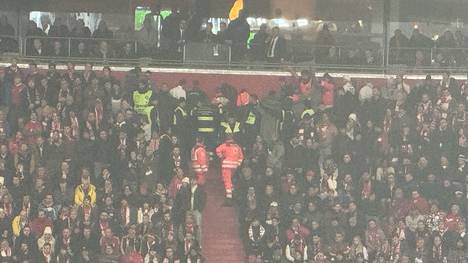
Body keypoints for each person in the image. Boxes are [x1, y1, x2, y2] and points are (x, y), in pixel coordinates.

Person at [216, 136, 244, 206]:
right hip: (234, 166)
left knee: (227, 181)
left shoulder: (225, 145)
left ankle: (229, 198)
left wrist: (222, 157)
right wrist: (238, 164)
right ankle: (232, 193)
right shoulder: (237, 146)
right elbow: (241, 157)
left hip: (226, 165)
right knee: (230, 180)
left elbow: (217, 150)